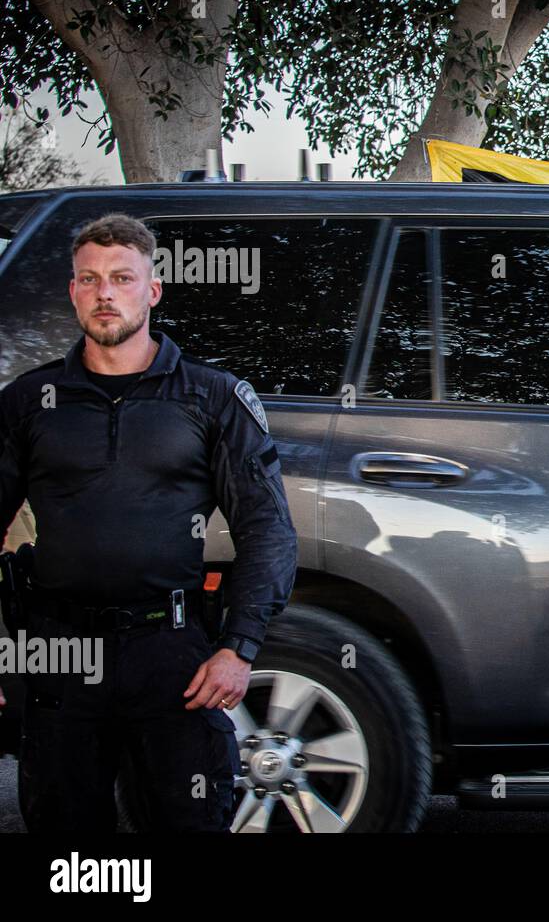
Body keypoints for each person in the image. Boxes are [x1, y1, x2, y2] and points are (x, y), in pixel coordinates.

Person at [0, 213, 298, 832]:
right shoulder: (29, 401)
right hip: (59, 653)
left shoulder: (212, 398)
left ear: (153, 290)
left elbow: (267, 530)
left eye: (121, 278)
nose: (105, 292)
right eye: (89, 279)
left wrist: (238, 650)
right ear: (74, 291)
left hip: (173, 654)